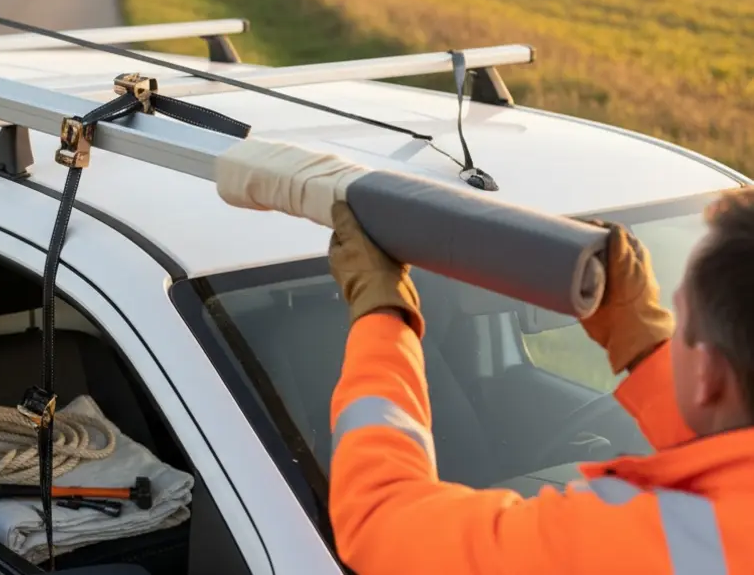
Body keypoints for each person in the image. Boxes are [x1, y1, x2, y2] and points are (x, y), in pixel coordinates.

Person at [323, 186, 754, 573]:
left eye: (679, 324)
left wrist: (381, 315)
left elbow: (379, 518)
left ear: (708, 375)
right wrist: (643, 343)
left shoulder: (634, 545)